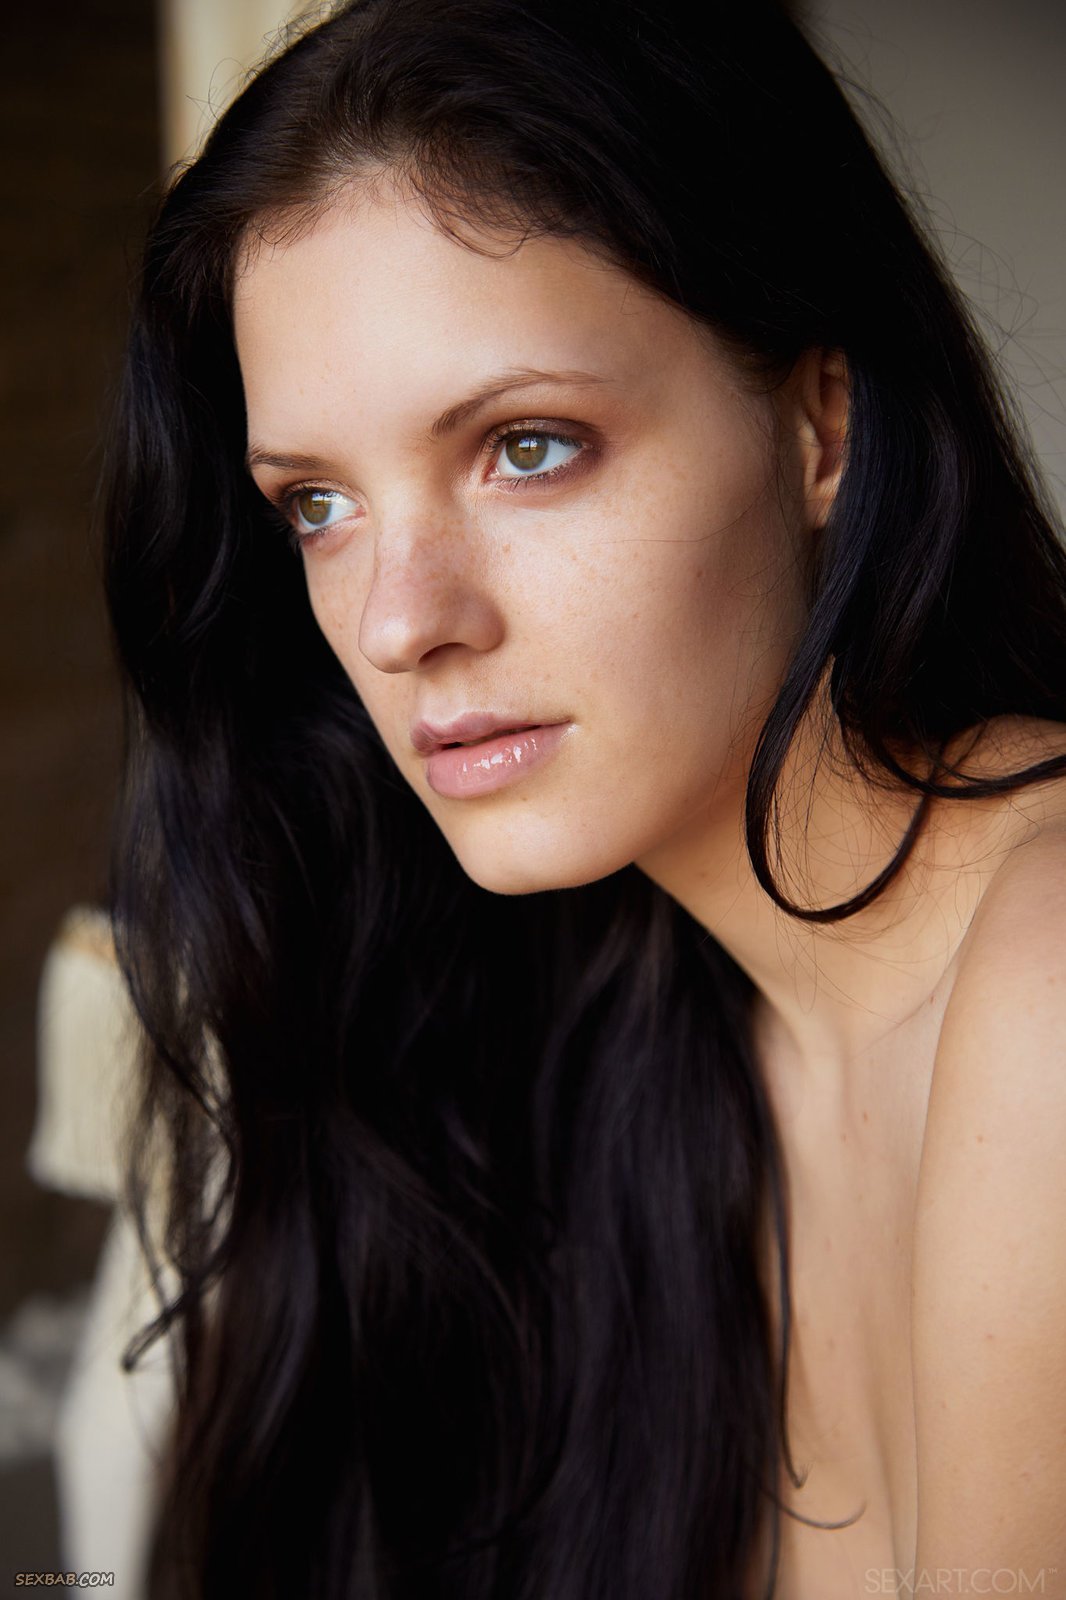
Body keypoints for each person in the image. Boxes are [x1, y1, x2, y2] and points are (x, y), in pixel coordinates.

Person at [100, 0, 1066, 1595]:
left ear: (821, 425)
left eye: (527, 447)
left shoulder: (1045, 983)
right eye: (319, 505)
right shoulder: (632, 1045)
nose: (401, 623)